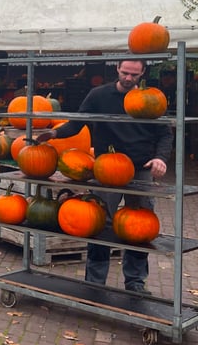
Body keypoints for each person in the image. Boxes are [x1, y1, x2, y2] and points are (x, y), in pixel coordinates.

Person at [36, 57, 171, 294]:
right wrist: (54, 133)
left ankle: (135, 282)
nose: (128, 78)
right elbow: (77, 124)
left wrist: (160, 158)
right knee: (98, 224)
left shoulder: (151, 101)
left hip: (140, 169)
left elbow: (165, 133)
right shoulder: (99, 95)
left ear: (142, 74)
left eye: (134, 75)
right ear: (117, 69)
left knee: (139, 228)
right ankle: (95, 282)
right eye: (125, 72)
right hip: (104, 169)